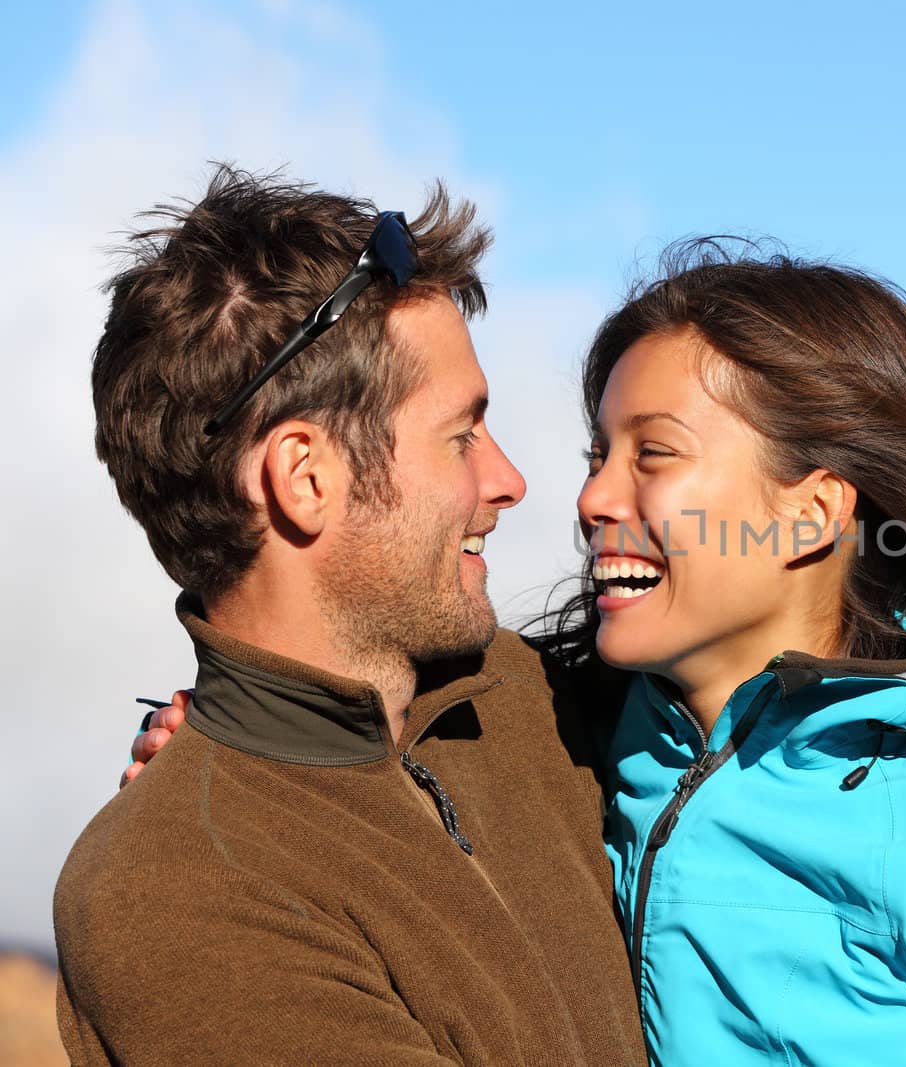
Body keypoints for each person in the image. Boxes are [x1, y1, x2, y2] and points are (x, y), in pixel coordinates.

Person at [132, 240, 906, 1063]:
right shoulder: (597, 747)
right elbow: (367, 719)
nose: (590, 497)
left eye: (655, 455)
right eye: (599, 451)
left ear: (811, 510)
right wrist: (230, 733)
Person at [57, 166, 644, 1065]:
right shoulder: (178, 884)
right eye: (462, 435)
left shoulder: (532, 697)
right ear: (306, 478)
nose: (510, 481)